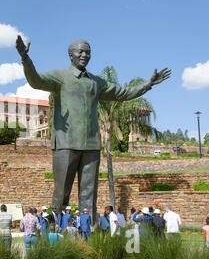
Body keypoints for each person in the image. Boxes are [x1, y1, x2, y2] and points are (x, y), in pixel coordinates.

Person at [16, 36, 171, 223]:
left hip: (91, 144)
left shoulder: (96, 82)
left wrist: (147, 85)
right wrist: (25, 59)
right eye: (80, 51)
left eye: (87, 52)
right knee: (61, 191)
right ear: (70, 55)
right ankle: (53, 229)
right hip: (65, 143)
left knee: (89, 193)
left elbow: (122, 93)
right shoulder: (60, 77)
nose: (84, 55)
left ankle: (88, 231)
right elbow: (36, 81)